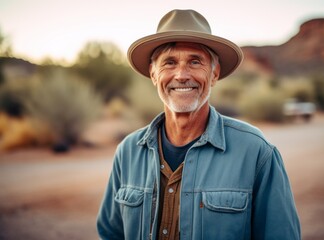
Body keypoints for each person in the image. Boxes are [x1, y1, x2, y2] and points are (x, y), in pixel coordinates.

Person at [97, 9, 301, 240]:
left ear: (214, 74)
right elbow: (111, 233)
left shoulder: (257, 152)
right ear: (154, 75)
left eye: (195, 62)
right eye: (169, 62)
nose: (182, 75)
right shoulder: (128, 151)